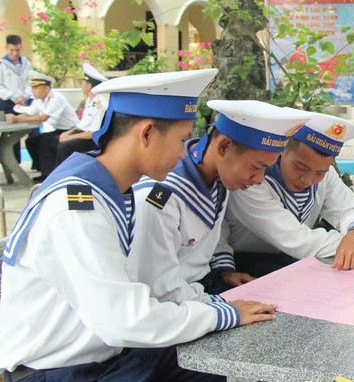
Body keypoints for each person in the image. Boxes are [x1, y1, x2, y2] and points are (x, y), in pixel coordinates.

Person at [0, 68, 279, 382]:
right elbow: (125, 318)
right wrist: (223, 313)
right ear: (146, 133)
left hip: (114, 361)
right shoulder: (75, 207)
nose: (184, 151)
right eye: (181, 139)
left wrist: (221, 311)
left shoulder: (113, 191)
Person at [127, 99, 311, 303]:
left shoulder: (220, 178)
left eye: (266, 169)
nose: (259, 179)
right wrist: (223, 308)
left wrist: (224, 269)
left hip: (205, 286)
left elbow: (209, 236)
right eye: (256, 167)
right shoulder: (159, 199)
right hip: (179, 304)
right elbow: (160, 291)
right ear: (224, 146)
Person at [214, 113, 354, 279]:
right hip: (247, 266)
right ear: (282, 150)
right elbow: (297, 240)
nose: (307, 179)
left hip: (293, 264)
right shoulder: (254, 180)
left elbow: (350, 209)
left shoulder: (325, 176)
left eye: (320, 172)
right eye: (300, 167)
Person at [36, 63, 108, 179]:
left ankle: (64, 177)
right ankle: (49, 175)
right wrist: (68, 133)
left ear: (89, 86)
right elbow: (81, 124)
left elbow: (92, 133)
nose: (81, 86)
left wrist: (69, 137)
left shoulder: (99, 104)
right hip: (81, 133)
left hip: (92, 140)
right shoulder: (90, 100)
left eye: (83, 83)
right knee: (47, 142)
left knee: (64, 146)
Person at [5, 72, 79, 181]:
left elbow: (43, 117)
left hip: (72, 130)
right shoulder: (39, 100)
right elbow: (30, 112)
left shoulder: (56, 98)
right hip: (59, 130)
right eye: (33, 88)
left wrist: (16, 119)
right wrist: (15, 117)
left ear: (46, 88)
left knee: (45, 142)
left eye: (37, 88)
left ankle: (48, 175)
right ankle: (42, 169)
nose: (33, 91)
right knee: (31, 141)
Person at [0, 34, 33, 161]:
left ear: (21, 47)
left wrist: (25, 96)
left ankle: (37, 163)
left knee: (33, 131)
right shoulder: (0, 65)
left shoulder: (26, 63)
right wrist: (14, 97)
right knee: (11, 136)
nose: (15, 53)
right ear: (6, 48)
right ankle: (14, 162)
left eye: (17, 50)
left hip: (25, 101)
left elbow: (30, 82)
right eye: (12, 50)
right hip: (8, 102)